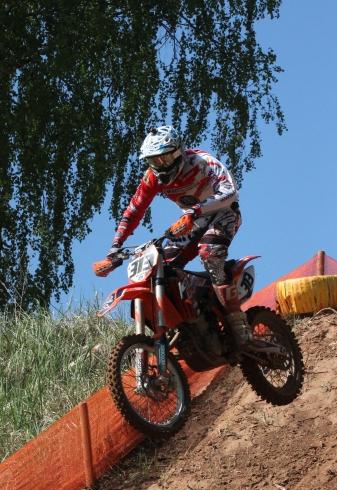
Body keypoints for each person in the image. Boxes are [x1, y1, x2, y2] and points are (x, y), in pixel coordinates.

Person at [95, 125, 252, 346]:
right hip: (193, 221)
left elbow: (230, 191)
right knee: (160, 266)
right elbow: (133, 211)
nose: (160, 165)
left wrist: (194, 211)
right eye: (153, 161)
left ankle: (237, 323)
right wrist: (114, 249)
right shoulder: (152, 177)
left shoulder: (202, 162)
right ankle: (188, 319)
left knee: (209, 252)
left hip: (224, 213)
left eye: (164, 158)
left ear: (178, 152)